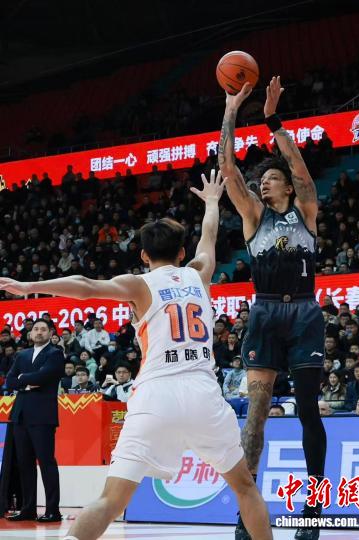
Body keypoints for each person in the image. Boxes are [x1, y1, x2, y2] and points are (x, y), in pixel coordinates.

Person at [0, 171, 273, 540]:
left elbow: (85, 287)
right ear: (181, 253)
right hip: (202, 392)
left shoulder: (138, 285)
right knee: (245, 488)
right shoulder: (199, 272)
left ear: (144, 255)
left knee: (110, 501)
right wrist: (212, 202)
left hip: (156, 395)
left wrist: (30, 286)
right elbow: (208, 238)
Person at [219, 75, 326, 540]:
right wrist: (230, 110)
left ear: (288, 187)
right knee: (256, 414)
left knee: (308, 411)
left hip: (303, 313)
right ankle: (247, 513)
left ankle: (314, 510)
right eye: (262, 180)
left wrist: (272, 120)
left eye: (272, 178)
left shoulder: (305, 209)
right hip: (263, 314)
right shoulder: (253, 216)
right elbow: (228, 169)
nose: (264, 183)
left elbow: (298, 164)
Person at [5, 318, 65, 522]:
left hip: (42, 416)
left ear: (51, 333)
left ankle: (53, 510)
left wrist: (23, 379)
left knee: (46, 462)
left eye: (43, 329)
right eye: (36, 329)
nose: (39, 332)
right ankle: (28, 508)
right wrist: (27, 382)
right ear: (31, 333)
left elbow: (44, 377)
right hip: (20, 414)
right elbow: (9, 381)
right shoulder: (22, 354)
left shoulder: (55, 353)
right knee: (24, 464)